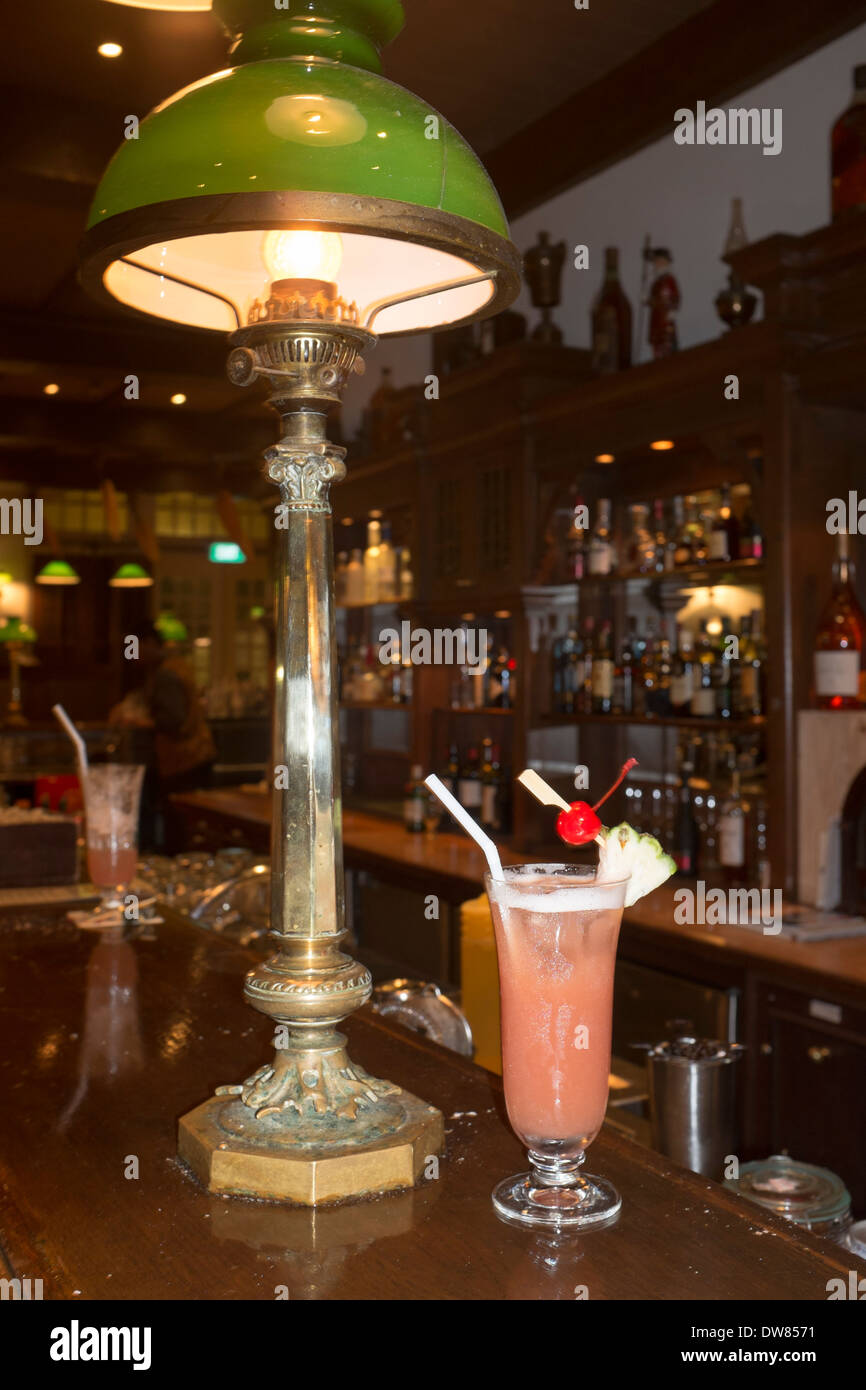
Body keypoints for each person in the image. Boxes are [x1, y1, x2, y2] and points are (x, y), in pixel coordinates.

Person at [111, 622, 216, 851]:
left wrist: (138, 721)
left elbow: (173, 720)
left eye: (134, 647)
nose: (132, 654)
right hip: (193, 758)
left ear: (149, 644)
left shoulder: (166, 675)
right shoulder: (172, 668)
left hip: (184, 760)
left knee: (179, 830)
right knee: (184, 825)